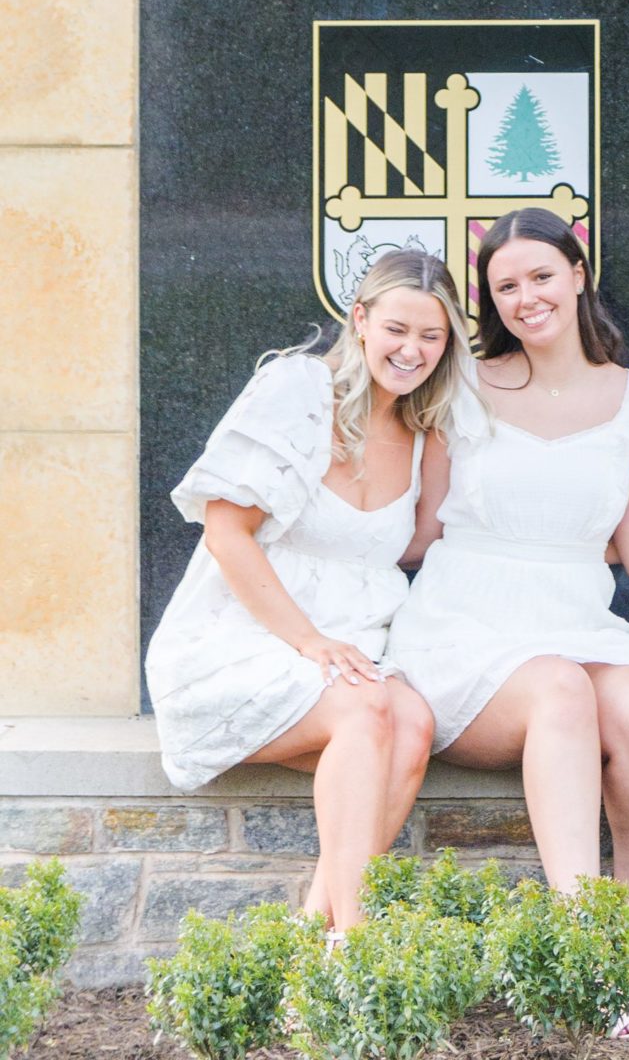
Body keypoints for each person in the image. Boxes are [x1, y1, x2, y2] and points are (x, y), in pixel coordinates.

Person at [384, 206, 629, 1034]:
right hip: (466, 622)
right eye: (505, 284)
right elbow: (418, 529)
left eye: (541, 276)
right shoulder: (464, 385)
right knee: (558, 691)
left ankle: (626, 931)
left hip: (577, 616)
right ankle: (586, 953)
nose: (525, 297)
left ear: (579, 274)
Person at [146, 249, 469, 935]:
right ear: (359, 319)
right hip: (243, 640)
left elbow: (408, 548)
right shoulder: (297, 389)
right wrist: (311, 642)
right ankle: (353, 945)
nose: (411, 350)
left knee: (411, 722)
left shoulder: (420, 429)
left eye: (431, 336)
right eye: (396, 329)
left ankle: (312, 947)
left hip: (346, 655)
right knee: (364, 707)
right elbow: (226, 534)